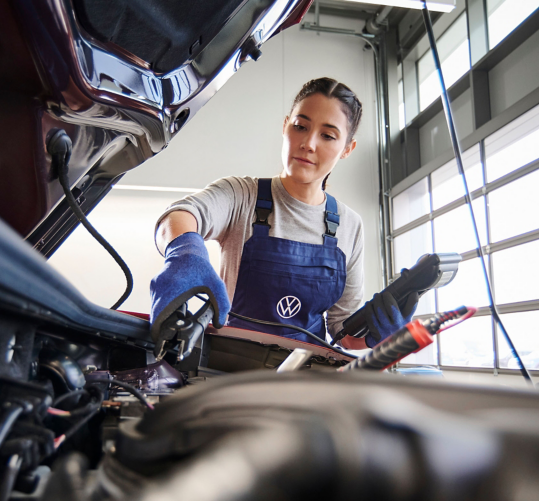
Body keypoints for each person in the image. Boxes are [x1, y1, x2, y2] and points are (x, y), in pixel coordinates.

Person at [149, 77, 417, 350]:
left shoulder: (350, 225)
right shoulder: (242, 195)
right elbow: (179, 215)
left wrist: (377, 334)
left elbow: (342, 331)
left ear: (348, 148)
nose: (308, 143)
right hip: (228, 370)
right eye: (300, 126)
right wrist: (185, 253)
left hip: (303, 379)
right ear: (285, 125)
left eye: (327, 135)